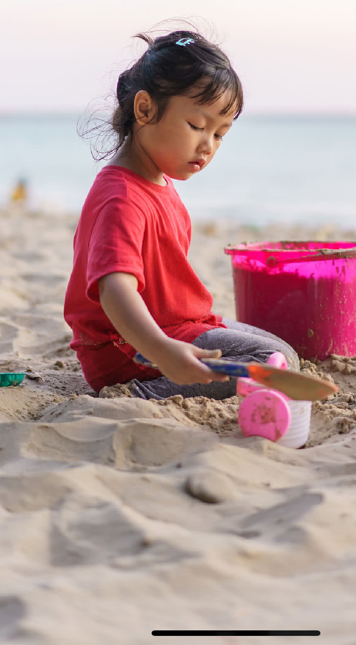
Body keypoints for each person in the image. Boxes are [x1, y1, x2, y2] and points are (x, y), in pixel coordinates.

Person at [64, 28, 299, 399]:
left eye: (220, 134)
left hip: (176, 327)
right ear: (145, 109)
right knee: (274, 357)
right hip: (130, 350)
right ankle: (144, 392)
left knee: (277, 349)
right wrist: (160, 349)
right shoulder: (121, 197)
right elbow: (115, 288)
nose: (208, 146)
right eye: (197, 126)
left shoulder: (156, 180)